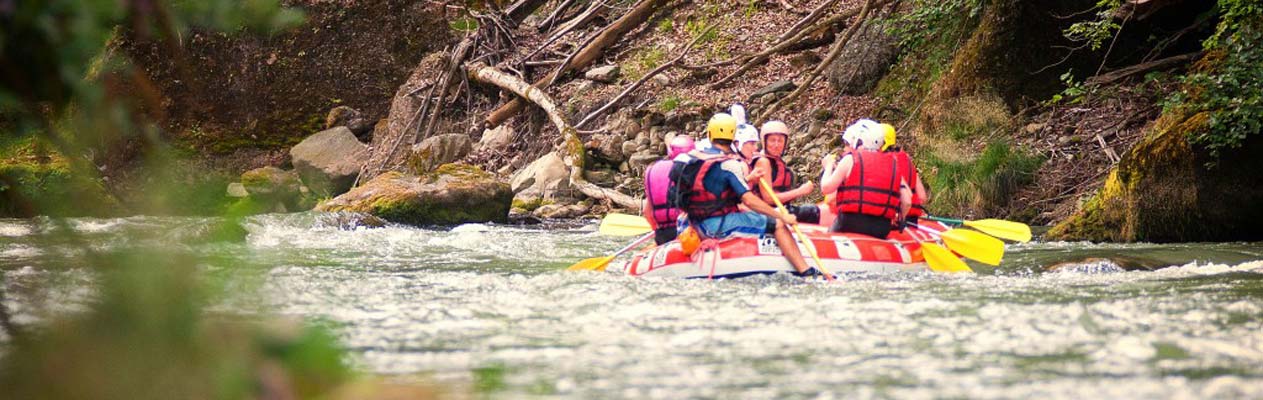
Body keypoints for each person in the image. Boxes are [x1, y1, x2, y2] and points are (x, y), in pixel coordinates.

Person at [671, 113, 812, 274]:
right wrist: (781, 216)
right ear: (732, 136)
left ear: (710, 134)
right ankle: (805, 270)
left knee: (746, 212)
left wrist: (748, 180)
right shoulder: (729, 164)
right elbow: (749, 200)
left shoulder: (690, 159)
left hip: (691, 223)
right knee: (778, 225)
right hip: (714, 227)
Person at [819, 119, 912, 239]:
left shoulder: (850, 160)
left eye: (848, 143)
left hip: (850, 222)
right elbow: (907, 201)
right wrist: (901, 219)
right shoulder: (893, 164)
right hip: (881, 228)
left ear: (858, 141)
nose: (846, 147)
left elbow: (826, 188)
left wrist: (828, 166)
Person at [750, 120, 819, 223]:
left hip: (780, 208)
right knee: (812, 212)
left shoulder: (776, 161)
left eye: (780, 141)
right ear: (764, 141)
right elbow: (768, 198)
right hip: (766, 212)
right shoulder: (763, 162)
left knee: (811, 209)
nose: (776, 145)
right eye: (772, 140)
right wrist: (800, 191)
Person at [642, 135, 696, 245]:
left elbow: (646, 212)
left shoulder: (653, 169)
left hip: (664, 235)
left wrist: (656, 229)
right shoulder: (693, 170)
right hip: (690, 233)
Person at [879, 123, 930, 226]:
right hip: (912, 219)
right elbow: (922, 197)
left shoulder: (882, 161)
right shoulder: (906, 159)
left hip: (890, 221)